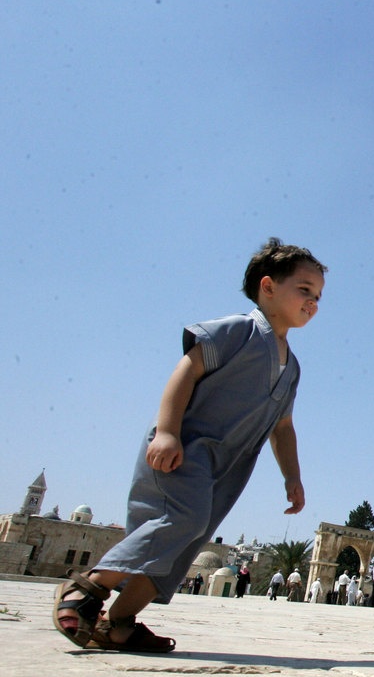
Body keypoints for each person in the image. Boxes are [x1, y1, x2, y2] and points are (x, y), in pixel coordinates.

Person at [52, 239, 326, 652]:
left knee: (185, 546)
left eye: (318, 296)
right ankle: (87, 586)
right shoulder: (239, 330)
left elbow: (282, 427)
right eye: (304, 290)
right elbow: (187, 369)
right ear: (268, 287)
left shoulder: (293, 367)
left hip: (226, 470)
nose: (313, 301)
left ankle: (119, 623)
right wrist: (167, 431)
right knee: (185, 520)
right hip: (186, 448)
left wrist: (293, 476)